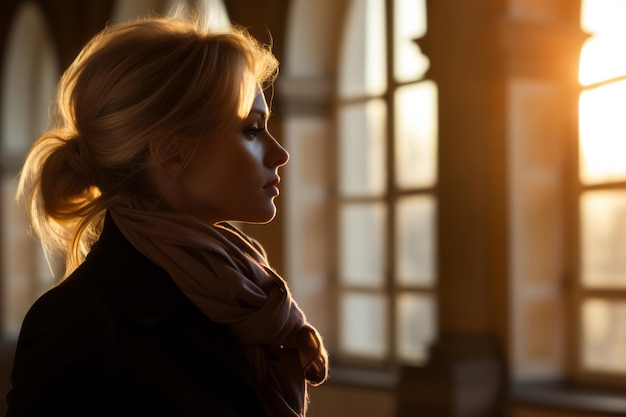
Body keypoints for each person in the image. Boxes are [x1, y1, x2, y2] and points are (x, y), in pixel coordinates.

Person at [5, 12, 327, 417]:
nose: (280, 154)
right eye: (251, 129)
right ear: (171, 152)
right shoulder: (78, 322)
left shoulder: (241, 294)